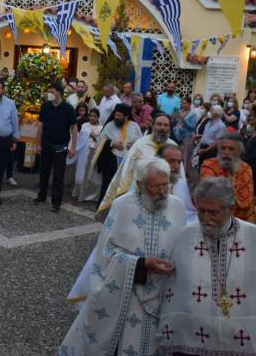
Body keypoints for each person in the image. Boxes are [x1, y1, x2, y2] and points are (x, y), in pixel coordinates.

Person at [60, 158, 186, 356]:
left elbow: (182, 247)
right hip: (126, 295)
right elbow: (106, 253)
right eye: (155, 187)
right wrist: (141, 264)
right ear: (140, 185)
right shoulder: (122, 206)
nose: (163, 191)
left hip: (162, 293)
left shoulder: (177, 207)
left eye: (166, 184)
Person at [156, 177, 256, 356]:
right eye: (201, 211)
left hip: (241, 340)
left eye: (213, 212)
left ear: (230, 209)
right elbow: (173, 289)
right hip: (192, 338)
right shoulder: (185, 236)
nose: (206, 218)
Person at [98, 113, 179, 215]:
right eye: (159, 124)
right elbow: (127, 169)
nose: (162, 128)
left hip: (165, 194)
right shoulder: (140, 144)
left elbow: (179, 175)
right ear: (153, 125)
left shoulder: (173, 147)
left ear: (169, 128)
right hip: (141, 192)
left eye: (166, 125)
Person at [34, 83, 77, 212]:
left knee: (58, 174)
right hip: (46, 144)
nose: (49, 94)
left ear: (59, 92)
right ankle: (42, 196)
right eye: (49, 91)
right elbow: (40, 125)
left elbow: (74, 127)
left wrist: (73, 147)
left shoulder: (68, 108)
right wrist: (38, 143)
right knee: (44, 172)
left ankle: (56, 201)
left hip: (61, 145)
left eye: (52, 92)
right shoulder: (45, 106)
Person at [90, 104, 143, 202]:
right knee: (108, 185)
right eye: (115, 114)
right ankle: (103, 206)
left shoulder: (134, 126)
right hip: (111, 161)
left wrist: (134, 145)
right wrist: (112, 144)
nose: (116, 117)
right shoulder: (109, 126)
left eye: (119, 115)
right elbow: (100, 141)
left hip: (128, 163)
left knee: (124, 186)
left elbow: (141, 142)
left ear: (126, 116)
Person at [200, 133, 256, 223]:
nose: (226, 152)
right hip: (215, 219)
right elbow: (210, 193)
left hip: (241, 219)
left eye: (231, 149)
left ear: (239, 151)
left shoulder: (245, 168)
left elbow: (247, 201)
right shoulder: (208, 165)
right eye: (223, 148)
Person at [158, 144, 198, 224]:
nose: (176, 166)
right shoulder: (149, 186)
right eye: (171, 161)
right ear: (159, 161)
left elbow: (191, 214)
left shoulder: (183, 185)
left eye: (179, 162)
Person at [72, 108, 103, 202]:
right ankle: (78, 192)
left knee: (90, 172)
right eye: (91, 115)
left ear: (98, 117)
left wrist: (93, 136)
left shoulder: (101, 127)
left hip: (93, 151)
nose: (92, 118)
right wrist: (88, 133)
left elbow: (100, 139)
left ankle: (88, 194)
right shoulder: (85, 125)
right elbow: (80, 136)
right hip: (83, 152)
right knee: (81, 171)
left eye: (95, 116)